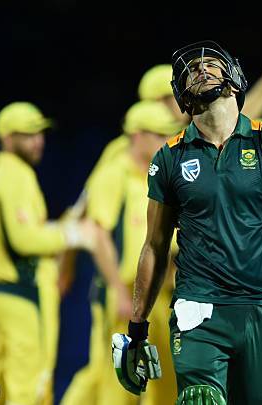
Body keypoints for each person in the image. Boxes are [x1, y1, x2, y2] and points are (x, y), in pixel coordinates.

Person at [111, 41, 262, 405]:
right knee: (201, 397)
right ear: (182, 94)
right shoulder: (169, 157)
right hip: (196, 308)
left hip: (260, 308)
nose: (200, 70)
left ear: (233, 80)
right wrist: (137, 330)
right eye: (191, 71)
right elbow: (154, 245)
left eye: (211, 64)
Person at [61, 100, 183, 405]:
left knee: (162, 375)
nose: (165, 142)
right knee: (118, 377)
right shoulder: (113, 174)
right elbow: (97, 234)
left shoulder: (160, 177)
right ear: (137, 135)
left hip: (161, 293)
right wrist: (117, 290)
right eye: (158, 135)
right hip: (125, 293)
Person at [0, 102, 96, 405]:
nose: (37, 141)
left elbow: (27, 230)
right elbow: (25, 240)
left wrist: (60, 226)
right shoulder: (15, 176)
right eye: (28, 135)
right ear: (6, 137)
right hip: (23, 296)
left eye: (40, 134)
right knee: (30, 388)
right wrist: (72, 235)